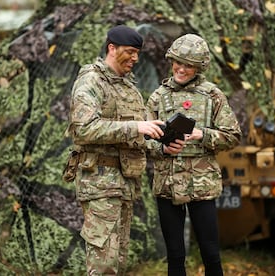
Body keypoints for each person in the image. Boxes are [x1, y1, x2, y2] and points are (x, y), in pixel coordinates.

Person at [64, 25, 164, 275]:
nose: (135, 58)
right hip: (99, 182)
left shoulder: (128, 87)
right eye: (129, 52)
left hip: (124, 184)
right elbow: (84, 129)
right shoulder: (91, 81)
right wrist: (136, 126)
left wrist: (162, 143)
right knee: (103, 263)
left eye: (137, 53)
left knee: (117, 260)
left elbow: (137, 136)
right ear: (112, 48)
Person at [145, 34, 242, 275]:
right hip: (167, 184)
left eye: (188, 65)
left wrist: (202, 134)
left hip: (202, 185)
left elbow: (233, 135)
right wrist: (162, 148)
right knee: (175, 256)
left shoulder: (212, 95)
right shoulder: (158, 96)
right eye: (178, 62)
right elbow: (142, 140)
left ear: (198, 67)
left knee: (210, 253)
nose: (181, 68)